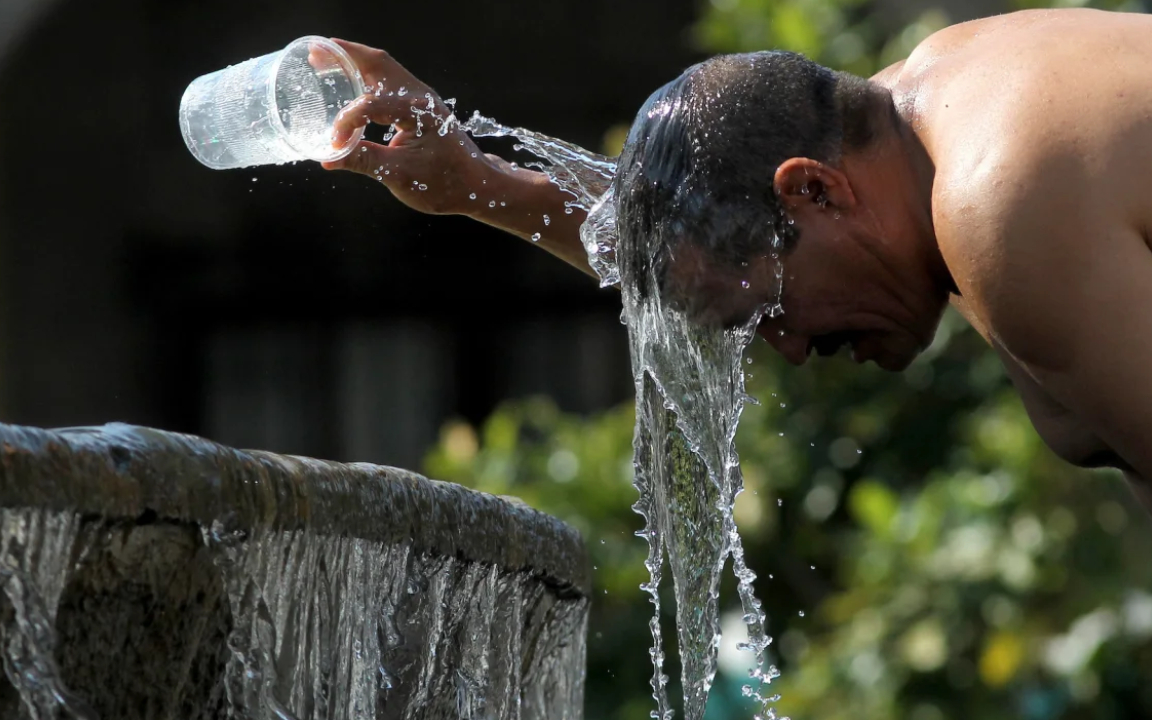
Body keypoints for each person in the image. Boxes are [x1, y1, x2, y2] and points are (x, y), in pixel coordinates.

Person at [320, 7, 1152, 511]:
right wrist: (475, 183)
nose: (786, 347)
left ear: (817, 194)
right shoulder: (922, 109)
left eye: (768, 312)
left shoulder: (999, 211)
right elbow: (703, 239)